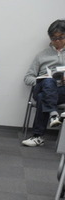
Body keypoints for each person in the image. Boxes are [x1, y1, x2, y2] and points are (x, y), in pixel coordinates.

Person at [21, 19, 65, 147]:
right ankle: (53, 114)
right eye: (54, 38)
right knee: (48, 81)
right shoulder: (42, 55)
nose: (57, 41)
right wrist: (42, 79)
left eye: (61, 37)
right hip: (42, 86)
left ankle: (38, 136)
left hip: (61, 90)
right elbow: (28, 78)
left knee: (42, 97)